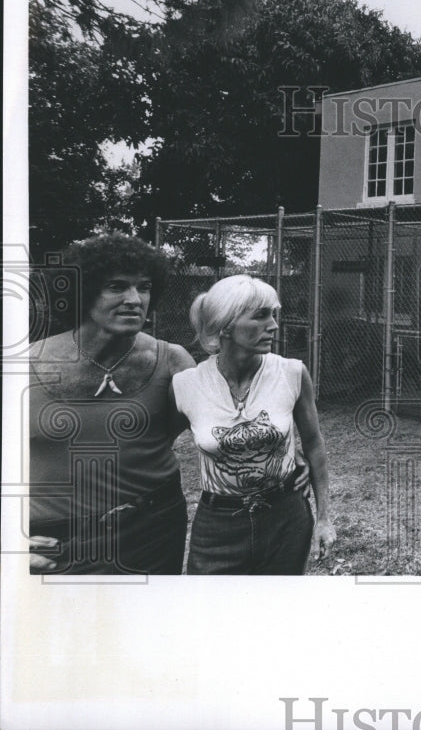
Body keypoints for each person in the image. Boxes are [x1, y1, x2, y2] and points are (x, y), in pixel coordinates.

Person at [28, 234, 196, 574]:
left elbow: (218, 429)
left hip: (151, 529)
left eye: (144, 287)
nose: (134, 299)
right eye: (116, 286)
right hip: (53, 542)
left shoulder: (172, 361)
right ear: (83, 291)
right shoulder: (24, 366)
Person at [170, 274, 335, 574]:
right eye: (260, 316)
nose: (273, 325)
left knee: (278, 613)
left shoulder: (292, 373)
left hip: (286, 517)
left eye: (273, 315)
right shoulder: (186, 385)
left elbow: (314, 443)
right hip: (218, 525)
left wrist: (323, 517)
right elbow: (155, 447)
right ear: (226, 325)